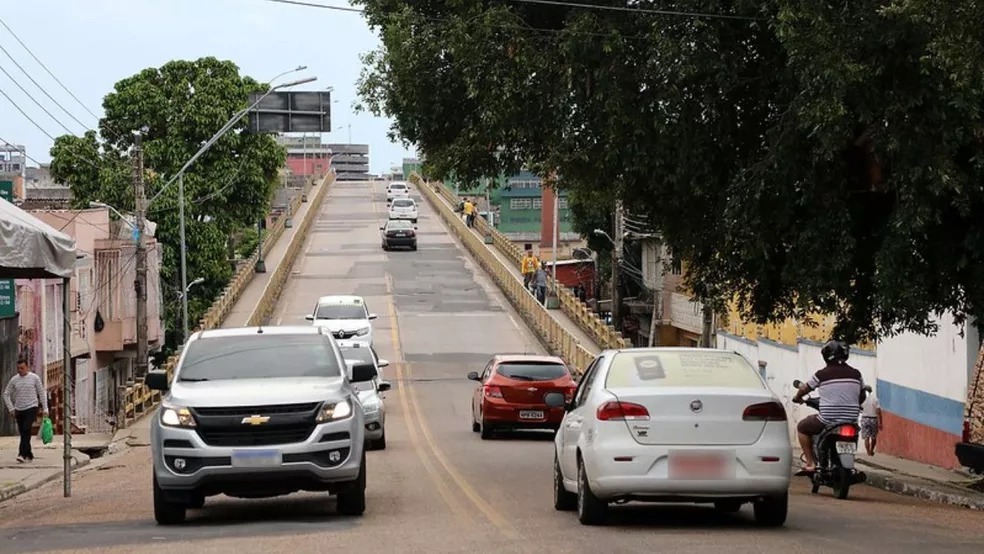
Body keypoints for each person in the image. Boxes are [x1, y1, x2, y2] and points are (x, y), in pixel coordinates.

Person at [792, 340, 865, 473]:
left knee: (802, 427)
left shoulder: (821, 374)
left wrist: (797, 398)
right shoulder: (856, 374)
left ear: (826, 356)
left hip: (827, 420)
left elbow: (804, 388)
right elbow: (862, 396)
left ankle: (810, 463)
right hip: (851, 420)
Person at [3, 358, 49, 463]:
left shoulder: (34, 378)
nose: (20, 370)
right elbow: (6, 394)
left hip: (32, 407)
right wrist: (11, 408)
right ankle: (29, 454)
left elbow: (41, 393)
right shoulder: (14, 380)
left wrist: (45, 408)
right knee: (23, 433)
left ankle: (21, 454)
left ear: (27, 367)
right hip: (19, 409)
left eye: (22, 368)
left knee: (26, 429)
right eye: (18, 368)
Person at [860, 386, 882, 456]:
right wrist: (881, 422)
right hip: (873, 419)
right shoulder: (875, 399)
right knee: (873, 437)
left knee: (866, 437)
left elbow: (860, 408)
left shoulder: (862, 400)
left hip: (865, 419)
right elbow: (878, 411)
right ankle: (871, 450)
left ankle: (868, 452)